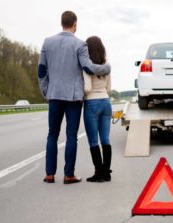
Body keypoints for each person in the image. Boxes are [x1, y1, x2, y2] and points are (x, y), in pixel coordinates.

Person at [38, 11, 110, 184]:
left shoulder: (47, 42)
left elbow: (41, 70)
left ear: (61, 22)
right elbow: (88, 67)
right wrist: (107, 68)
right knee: (71, 135)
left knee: (52, 135)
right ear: (75, 24)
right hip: (73, 98)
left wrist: (46, 91)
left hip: (54, 95)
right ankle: (68, 174)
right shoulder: (80, 44)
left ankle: (49, 174)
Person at [83, 36, 112, 183]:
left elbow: (87, 88)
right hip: (106, 102)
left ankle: (98, 174)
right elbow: (109, 88)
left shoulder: (87, 66)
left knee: (93, 141)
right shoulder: (106, 65)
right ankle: (106, 173)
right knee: (105, 139)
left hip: (92, 102)